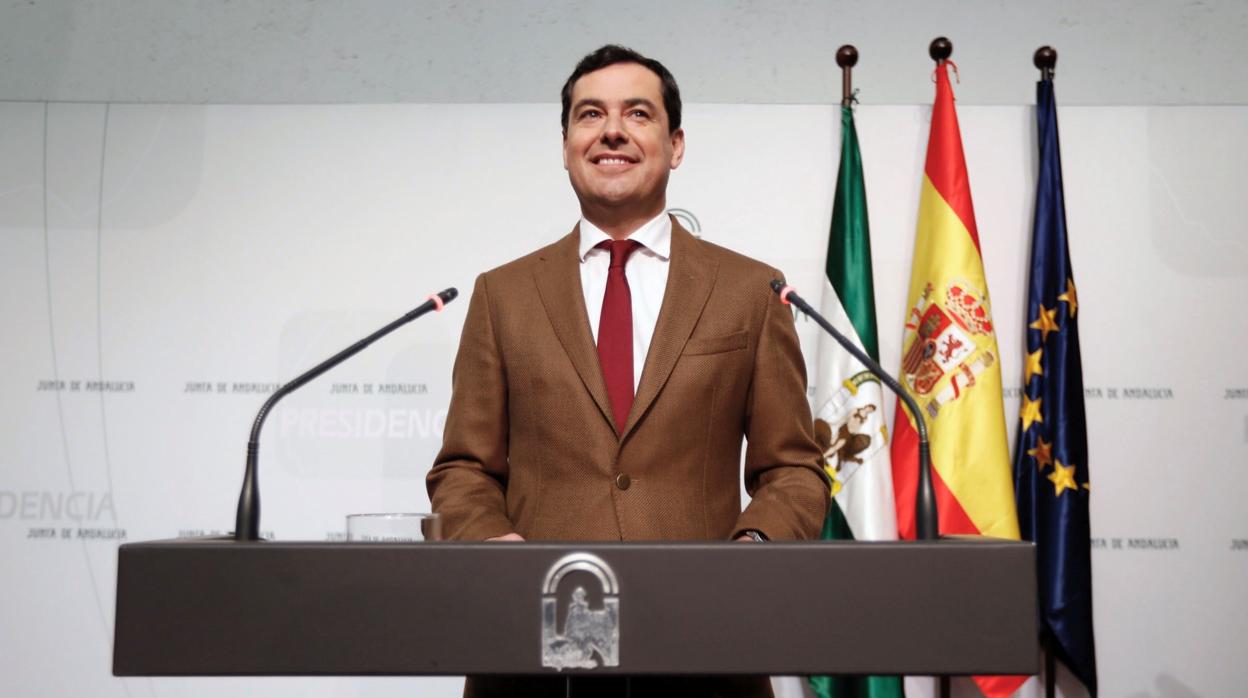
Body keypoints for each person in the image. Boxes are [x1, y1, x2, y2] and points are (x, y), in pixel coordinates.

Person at [427, 44, 828, 698]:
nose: (611, 130)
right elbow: (463, 467)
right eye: (590, 115)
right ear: (565, 145)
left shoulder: (751, 290)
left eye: (636, 113)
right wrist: (492, 543)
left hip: (704, 648)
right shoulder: (502, 294)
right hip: (536, 648)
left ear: (675, 145)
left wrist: (754, 548)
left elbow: (794, 467)